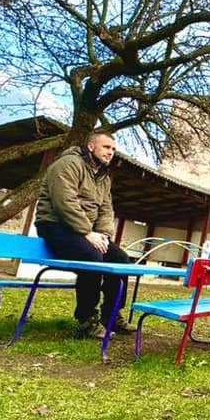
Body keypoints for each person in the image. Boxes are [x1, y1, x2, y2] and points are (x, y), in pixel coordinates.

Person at [35, 131, 132, 339]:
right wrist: (87, 232)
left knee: (121, 259)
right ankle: (87, 319)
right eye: (106, 147)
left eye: (113, 149)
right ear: (91, 146)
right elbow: (64, 202)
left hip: (86, 232)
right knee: (92, 258)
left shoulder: (103, 178)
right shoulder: (68, 164)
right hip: (55, 225)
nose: (110, 153)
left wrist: (104, 234)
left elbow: (106, 210)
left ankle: (111, 315)